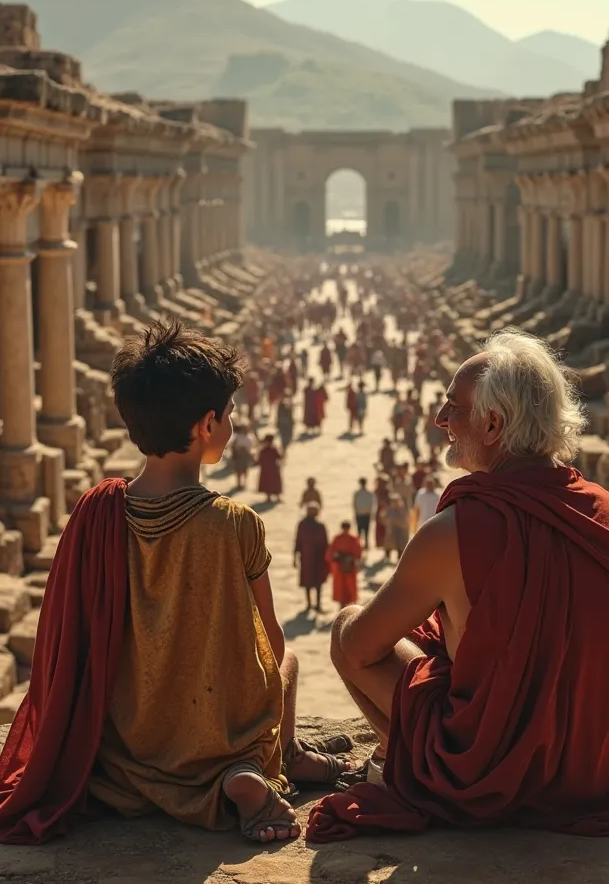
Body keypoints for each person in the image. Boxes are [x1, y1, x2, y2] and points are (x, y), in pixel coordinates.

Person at [310, 329, 609, 842]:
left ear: (493, 424)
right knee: (431, 631)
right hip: (594, 772)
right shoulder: (607, 511)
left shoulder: (455, 530)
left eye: (453, 408)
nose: (441, 420)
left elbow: (362, 648)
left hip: (484, 773)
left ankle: (423, 772)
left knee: (348, 626)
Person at [0, 321, 349, 849]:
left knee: (141, 744)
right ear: (208, 424)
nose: (232, 425)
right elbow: (270, 641)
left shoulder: (96, 510)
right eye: (229, 416)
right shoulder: (235, 522)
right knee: (289, 662)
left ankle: (245, 767)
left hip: (124, 740)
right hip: (215, 735)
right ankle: (252, 767)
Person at [294, 505, 329, 613]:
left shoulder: (304, 525)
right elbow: (326, 544)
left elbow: (297, 541)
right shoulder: (318, 525)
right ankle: (315, 604)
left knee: (310, 580)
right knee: (314, 581)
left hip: (310, 557)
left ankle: (311, 604)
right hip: (314, 557)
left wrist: (295, 556)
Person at [326, 522, 362, 609]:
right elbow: (330, 553)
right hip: (339, 566)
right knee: (340, 586)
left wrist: (352, 560)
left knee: (350, 586)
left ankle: (351, 604)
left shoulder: (353, 539)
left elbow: (358, 553)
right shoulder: (338, 538)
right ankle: (341, 605)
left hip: (350, 566)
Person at [383, 493, 410, 562]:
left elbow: (406, 521)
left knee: (400, 545)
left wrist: (396, 521)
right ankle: (387, 557)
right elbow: (385, 518)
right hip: (391, 530)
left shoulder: (403, 510)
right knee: (388, 544)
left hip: (400, 531)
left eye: (395, 501)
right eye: (392, 501)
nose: (394, 503)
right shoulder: (389, 510)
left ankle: (400, 558)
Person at [258, 434, 282, 503]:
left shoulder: (273, 449)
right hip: (268, 469)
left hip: (272, 468)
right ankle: (268, 497)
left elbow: (279, 457)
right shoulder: (264, 450)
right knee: (267, 483)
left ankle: (277, 497)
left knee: (274, 483)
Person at [353, 477, 375, 550]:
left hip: (361, 513)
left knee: (361, 530)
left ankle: (361, 544)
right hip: (365, 513)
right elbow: (371, 504)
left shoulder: (357, 494)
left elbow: (354, 504)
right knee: (365, 530)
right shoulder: (368, 493)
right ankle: (364, 544)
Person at [231, 424, 254, 490]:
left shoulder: (250, 437)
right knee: (238, 470)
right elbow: (233, 446)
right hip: (239, 455)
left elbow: (252, 447)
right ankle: (239, 483)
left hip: (246, 455)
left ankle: (245, 483)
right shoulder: (238, 437)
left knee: (245, 470)